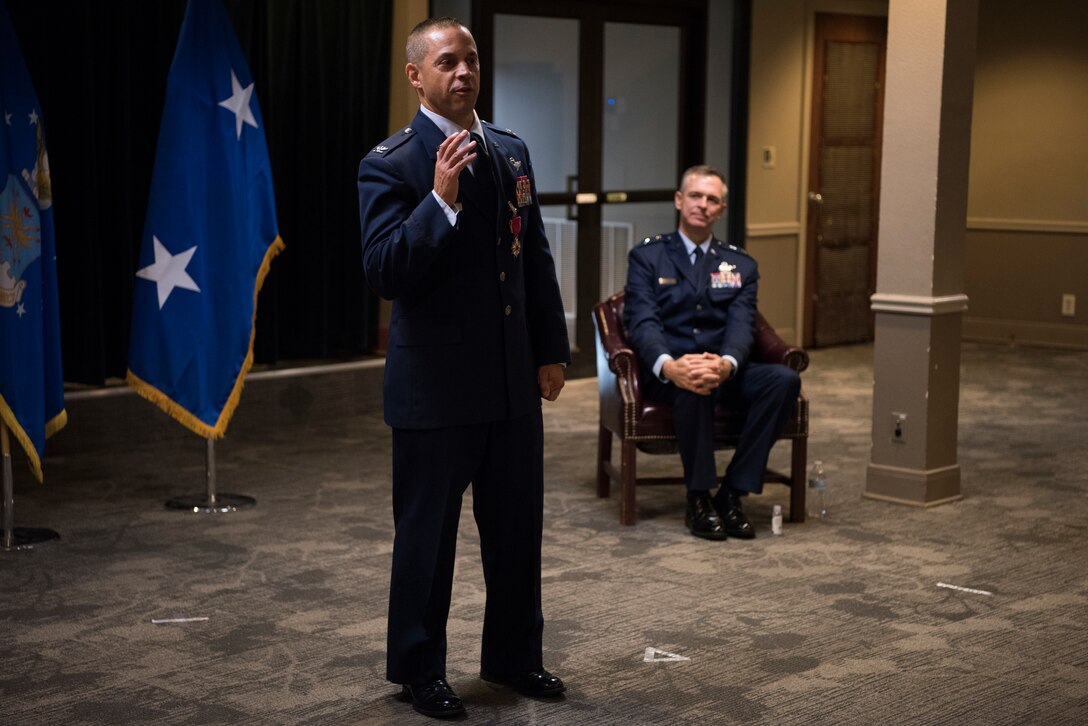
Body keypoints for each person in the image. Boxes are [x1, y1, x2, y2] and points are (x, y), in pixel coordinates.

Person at [357, 17, 571, 720]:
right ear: (416, 75)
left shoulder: (508, 151)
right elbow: (385, 271)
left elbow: (531, 258)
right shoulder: (390, 163)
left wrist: (550, 351)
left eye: (471, 60)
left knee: (516, 529)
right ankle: (419, 669)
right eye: (447, 61)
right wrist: (440, 201)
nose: (463, 72)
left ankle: (514, 656)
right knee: (427, 540)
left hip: (510, 382)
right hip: (435, 391)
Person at [623, 165, 800, 541]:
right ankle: (699, 496)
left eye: (712, 200)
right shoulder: (647, 257)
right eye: (695, 196)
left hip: (723, 371)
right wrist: (670, 366)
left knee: (784, 380)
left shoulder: (741, 264)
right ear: (679, 200)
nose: (702, 205)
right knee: (692, 385)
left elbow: (742, 323)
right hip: (668, 375)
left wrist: (726, 363)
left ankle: (733, 492)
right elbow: (642, 322)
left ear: (721, 209)